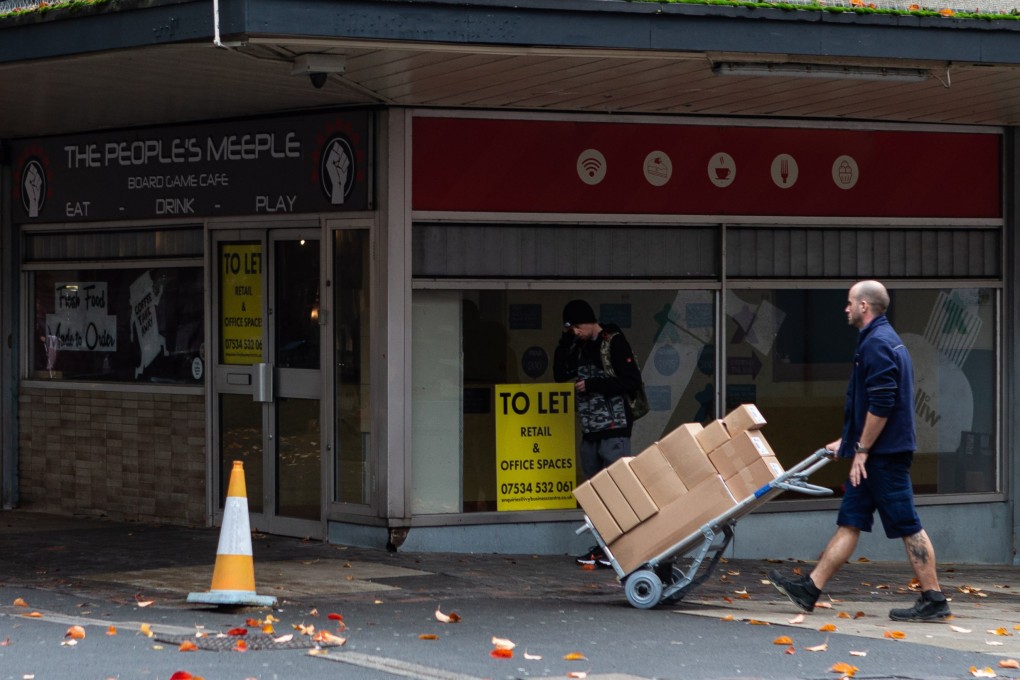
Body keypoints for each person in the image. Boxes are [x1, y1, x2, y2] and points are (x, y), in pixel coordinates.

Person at [768, 280, 951, 622]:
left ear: (864, 306)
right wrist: (850, 441)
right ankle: (810, 588)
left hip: (884, 456)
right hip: (873, 453)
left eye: (850, 302)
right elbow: (869, 403)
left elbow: (883, 404)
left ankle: (934, 599)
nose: (845, 308)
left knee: (907, 524)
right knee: (850, 520)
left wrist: (863, 450)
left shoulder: (879, 344)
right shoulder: (878, 340)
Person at [554, 299, 643, 567]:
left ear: (588, 321)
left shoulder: (613, 342)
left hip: (614, 426)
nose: (576, 333)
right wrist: (564, 340)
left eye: (577, 327)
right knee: (595, 493)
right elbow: (559, 374)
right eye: (572, 329)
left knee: (615, 489)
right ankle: (604, 545)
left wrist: (593, 384)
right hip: (590, 429)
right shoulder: (577, 345)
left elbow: (631, 380)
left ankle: (623, 549)